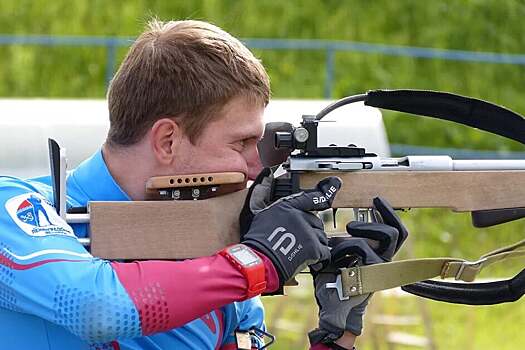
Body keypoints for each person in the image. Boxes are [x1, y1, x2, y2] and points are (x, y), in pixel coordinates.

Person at [0, 19, 407, 349]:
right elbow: (95, 308)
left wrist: (338, 334)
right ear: (168, 140)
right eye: (242, 143)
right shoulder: (17, 206)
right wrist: (258, 262)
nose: (256, 167)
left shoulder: (216, 259)